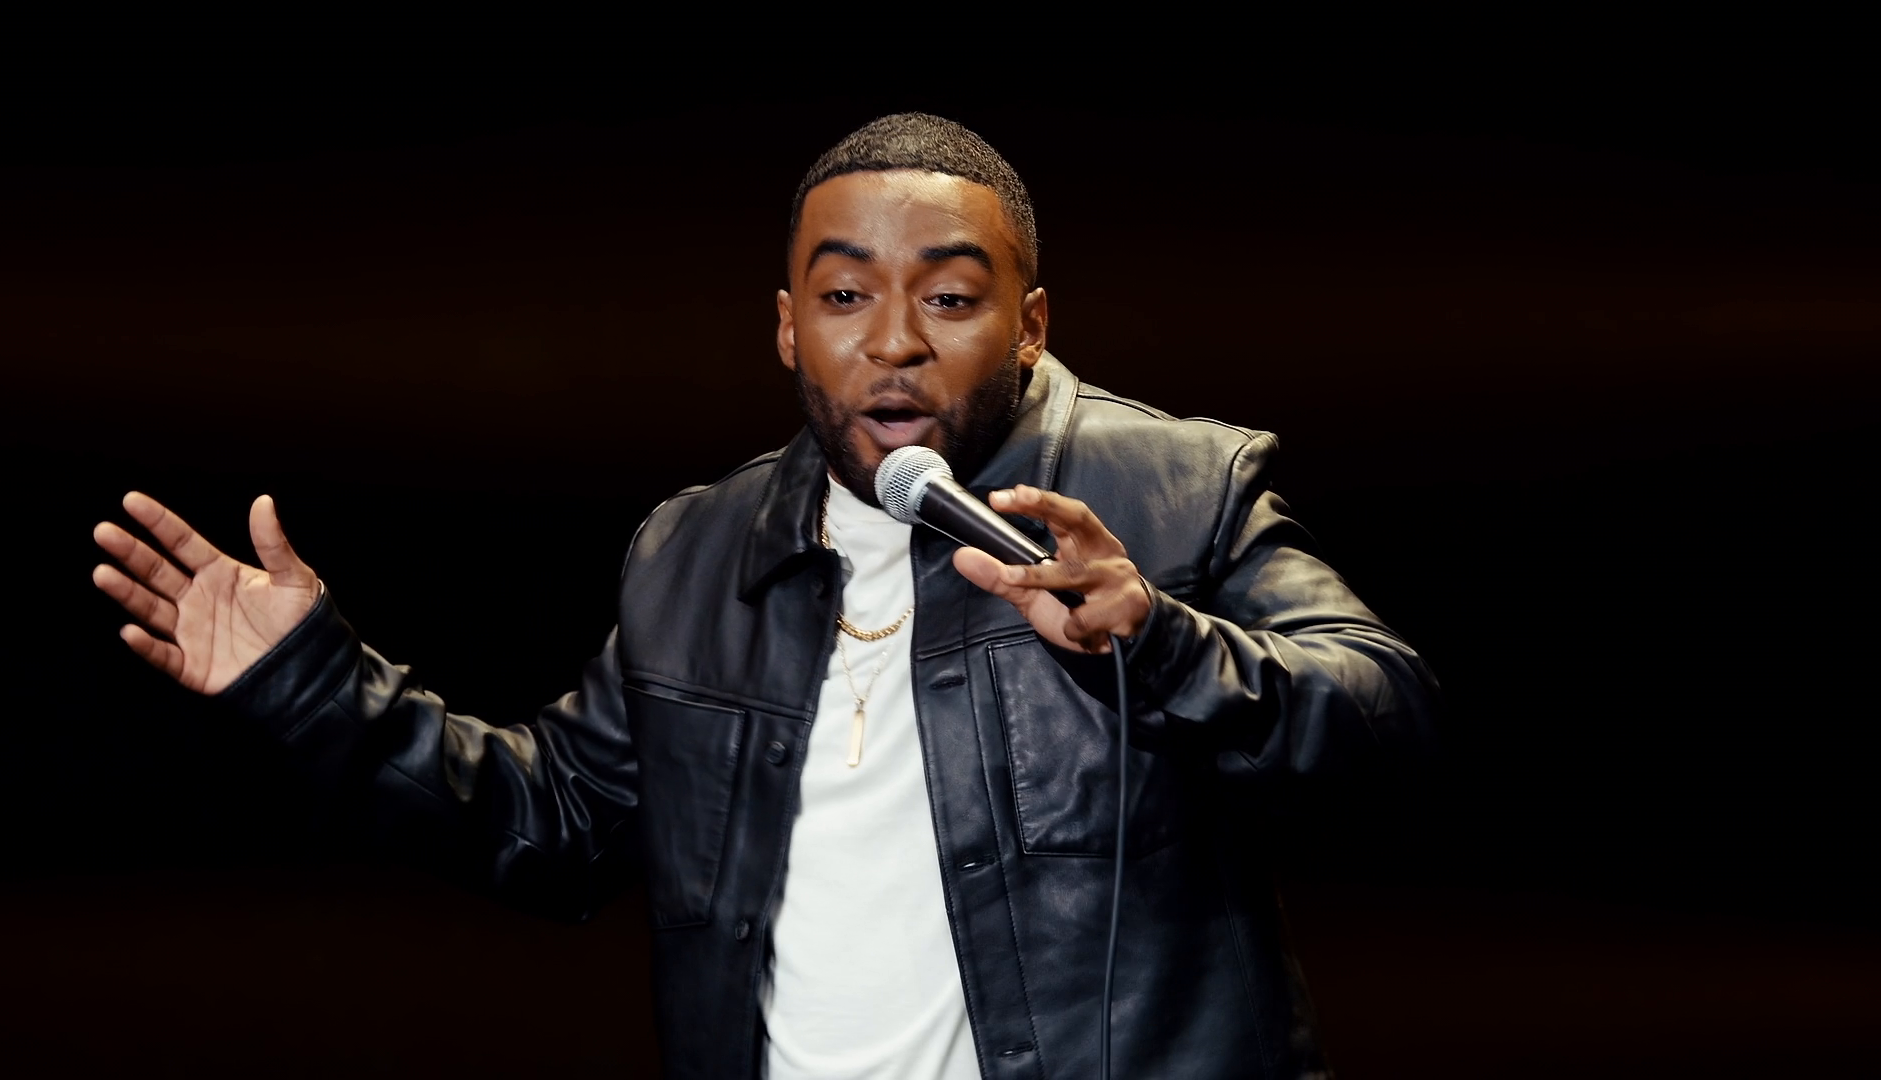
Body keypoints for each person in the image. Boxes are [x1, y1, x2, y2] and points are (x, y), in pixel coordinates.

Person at [92, 113, 1436, 1079]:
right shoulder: (698, 555)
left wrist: (1164, 641)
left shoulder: (1174, 491)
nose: (893, 341)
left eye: (950, 298)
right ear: (789, 325)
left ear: (1030, 325)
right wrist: (314, 689)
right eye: (845, 294)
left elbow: (1386, 710)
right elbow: (555, 828)